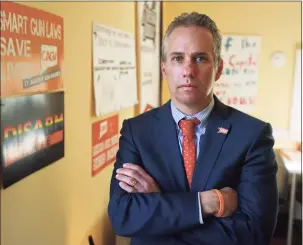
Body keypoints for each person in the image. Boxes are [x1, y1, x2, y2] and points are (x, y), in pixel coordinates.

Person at [108, 12, 278, 245]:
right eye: (178, 58)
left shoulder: (252, 135)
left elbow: (254, 234)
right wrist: (207, 203)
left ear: (218, 68)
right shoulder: (136, 132)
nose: (188, 70)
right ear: (164, 68)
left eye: (200, 58)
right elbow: (122, 217)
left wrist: (160, 209)